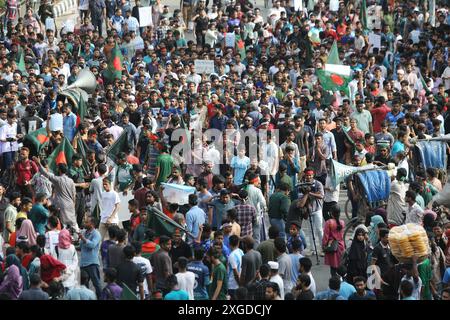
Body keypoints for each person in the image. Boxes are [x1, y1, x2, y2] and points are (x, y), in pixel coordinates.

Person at [33, 158, 78, 231]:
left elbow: (45, 174)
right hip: (71, 205)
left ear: (59, 170)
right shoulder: (71, 181)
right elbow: (74, 194)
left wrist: (39, 163)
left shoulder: (58, 180)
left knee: (63, 226)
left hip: (61, 205)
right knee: (73, 224)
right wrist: (73, 204)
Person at [78, 216, 102, 299]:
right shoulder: (84, 232)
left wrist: (83, 239)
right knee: (84, 285)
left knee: (97, 284)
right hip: (83, 263)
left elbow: (92, 245)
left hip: (92, 263)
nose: (85, 223)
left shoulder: (96, 234)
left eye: (86, 222)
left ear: (92, 224)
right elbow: (81, 246)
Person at [322, 205, 345, 276]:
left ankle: (335, 283)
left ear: (331, 213)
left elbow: (326, 236)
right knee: (340, 266)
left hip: (332, 247)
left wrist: (324, 246)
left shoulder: (329, 222)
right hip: (341, 246)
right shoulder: (342, 222)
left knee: (333, 268)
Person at [227, 235, 244, 300]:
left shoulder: (232, 255)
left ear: (229, 243)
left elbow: (235, 272)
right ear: (238, 243)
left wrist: (240, 283)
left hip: (233, 285)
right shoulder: (241, 251)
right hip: (239, 283)